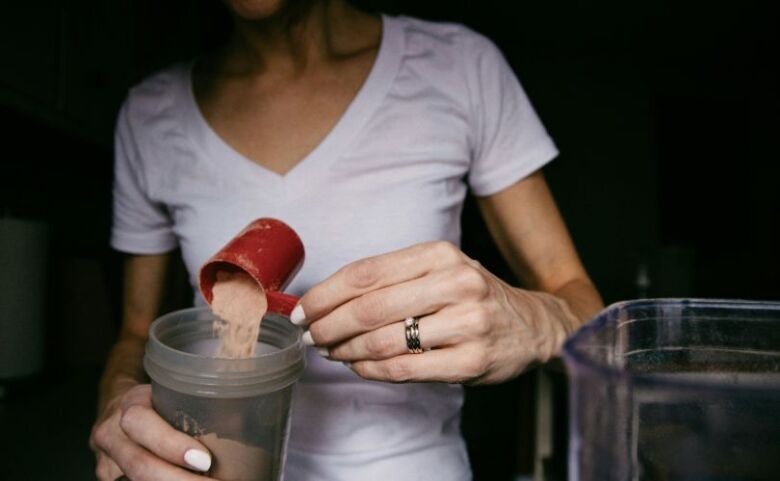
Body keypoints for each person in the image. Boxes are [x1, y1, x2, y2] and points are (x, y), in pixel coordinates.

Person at [89, 0, 603, 480]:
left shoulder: (459, 66)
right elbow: (137, 333)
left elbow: (580, 303)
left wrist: (537, 323)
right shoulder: (150, 117)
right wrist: (118, 401)